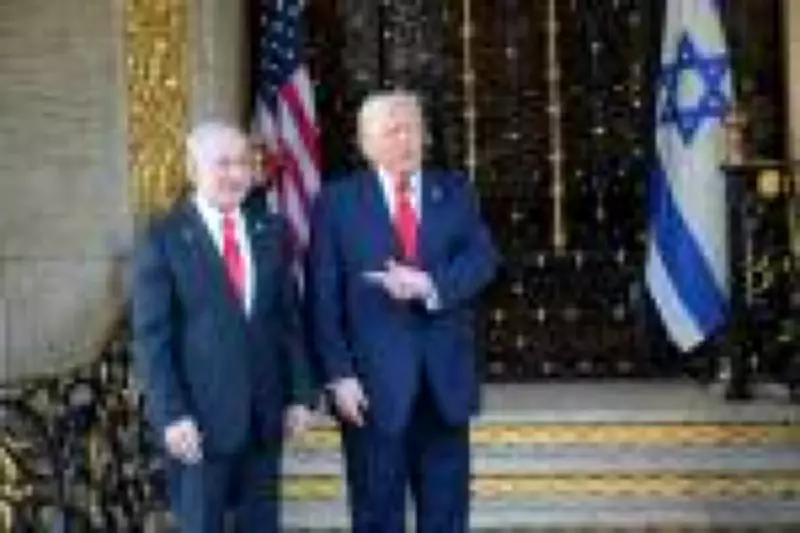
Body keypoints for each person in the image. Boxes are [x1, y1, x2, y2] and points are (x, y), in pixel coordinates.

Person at [308, 90, 499, 532]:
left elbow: (483, 260)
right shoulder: (337, 202)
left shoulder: (456, 192)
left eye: (413, 128)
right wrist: (338, 375)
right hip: (370, 392)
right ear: (366, 143)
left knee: (446, 517)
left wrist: (431, 285)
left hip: (444, 388)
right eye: (392, 131)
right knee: (377, 516)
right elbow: (322, 298)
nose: (406, 140)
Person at [132, 120, 315, 532]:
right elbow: (152, 338)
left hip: (264, 419)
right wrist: (171, 414)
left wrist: (300, 394)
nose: (236, 173)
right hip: (197, 425)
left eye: (244, 163)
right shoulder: (164, 237)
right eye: (223, 163)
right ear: (194, 170)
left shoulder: (272, 231)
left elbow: (288, 321)